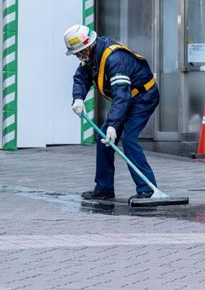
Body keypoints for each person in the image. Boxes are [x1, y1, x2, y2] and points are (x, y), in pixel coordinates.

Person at [64, 24, 159, 202]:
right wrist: (78, 98)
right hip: (126, 99)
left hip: (143, 97)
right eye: (77, 54)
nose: (79, 57)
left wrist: (114, 125)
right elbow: (81, 78)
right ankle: (104, 188)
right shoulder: (90, 56)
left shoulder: (115, 58)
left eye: (80, 52)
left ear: (89, 45)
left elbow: (121, 94)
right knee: (104, 140)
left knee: (129, 139)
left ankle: (148, 190)